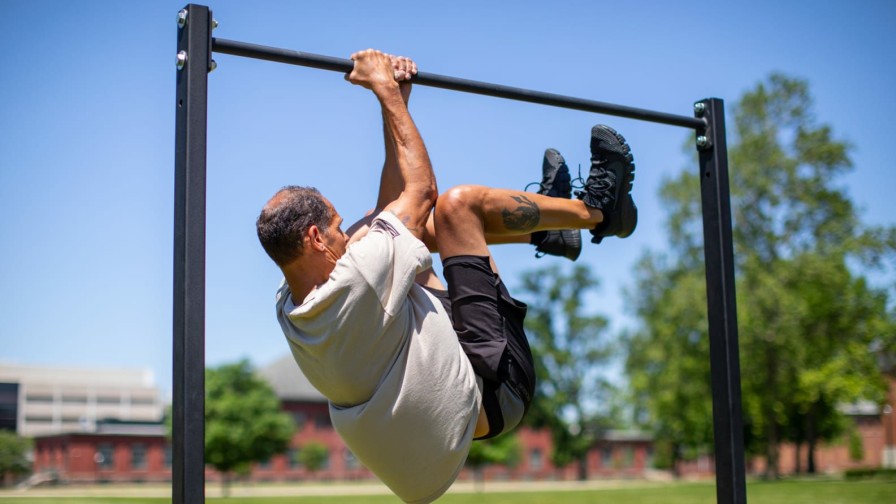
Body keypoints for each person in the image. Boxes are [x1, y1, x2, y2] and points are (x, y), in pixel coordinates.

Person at [256, 49, 637, 503]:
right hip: (496, 388)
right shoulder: (356, 286)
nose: (346, 236)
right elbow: (420, 192)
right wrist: (384, 91)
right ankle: (597, 213)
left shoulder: (293, 305)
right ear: (317, 239)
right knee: (457, 206)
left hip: (446, 420)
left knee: (409, 236)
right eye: (338, 229)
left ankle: (549, 232)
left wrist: (395, 102)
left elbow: (385, 215)